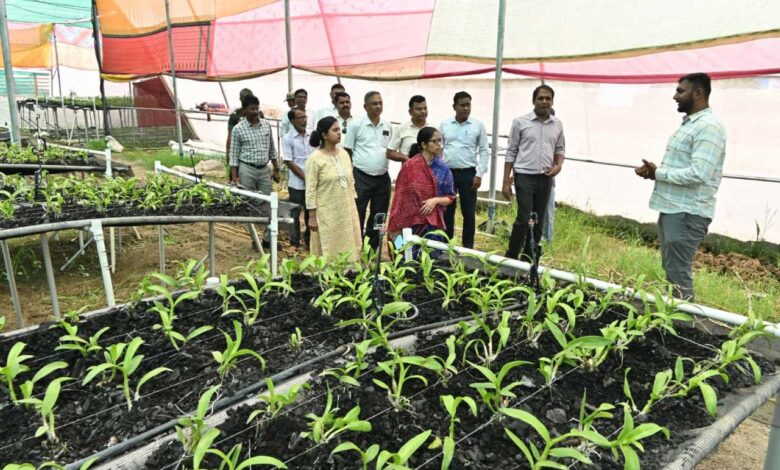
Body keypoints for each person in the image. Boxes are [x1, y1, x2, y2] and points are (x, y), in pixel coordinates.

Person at [635, 73, 726, 301]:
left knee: (678, 275)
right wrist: (653, 173)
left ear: (698, 93)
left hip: (687, 213)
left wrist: (659, 173)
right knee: (672, 271)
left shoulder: (709, 127)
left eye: (680, 91)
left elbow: (700, 173)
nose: (675, 96)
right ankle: (674, 317)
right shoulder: (690, 125)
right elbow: (684, 167)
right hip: (674, 208)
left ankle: (686, 320)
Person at [502, 85, 565, 261]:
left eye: (548, 98)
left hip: (546, 178)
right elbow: (511, 151)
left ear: (552, 101)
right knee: (524, 218)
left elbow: (560, 149)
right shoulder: (520, 122)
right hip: (524, 176)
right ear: (533, 100)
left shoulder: (557, 124)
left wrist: (558, 166)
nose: (544, 102)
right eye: (541, 98)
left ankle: (529, 257)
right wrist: (506, 181)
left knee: (539, 219)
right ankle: (511, 256)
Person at [344, 91, 403, 250]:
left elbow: (390, 149)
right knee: (358, 213)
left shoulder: (387, 125)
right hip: (361, 177)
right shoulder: (355, 125)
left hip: (382, 178)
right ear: (365, 106)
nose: (378, 106)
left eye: (380, 103)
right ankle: (355, 249)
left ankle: (372, 251)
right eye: (374, 103)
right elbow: (347, 151)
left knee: (379, 216)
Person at [305, 117, 363, 261]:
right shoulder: (315, 159)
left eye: (339, 129)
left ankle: (349, 270)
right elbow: (310, 189)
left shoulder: (344, 154)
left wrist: (353, 207)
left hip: (347, 210)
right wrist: (312, 216)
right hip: (326, 212)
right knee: (328, 247)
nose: (339, 133)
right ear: (324, 135)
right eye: (335, 130)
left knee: (350, 244)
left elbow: (350, 183)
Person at [388, 127, 455, 249]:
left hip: (432, 223)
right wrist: (396, 225)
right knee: (402, 251)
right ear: (424, 145)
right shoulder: (409, 166)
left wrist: (435, 200)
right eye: (434, 141)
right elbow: (399, 199)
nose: (439, 144)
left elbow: (450, 197)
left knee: (429, 255)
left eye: (440, 141)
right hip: (407, 222)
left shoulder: (443, 169)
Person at [229, 94, 281, 245]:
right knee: (248, 204)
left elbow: (272, 148)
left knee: (270, 203)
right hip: (247, 169)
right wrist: (235, 177)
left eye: (257, 108)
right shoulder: (238, 129)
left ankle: (268, 238)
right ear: (245, 110)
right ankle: (255, 240)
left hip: (264, 169)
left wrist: (276, 168)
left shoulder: (266, 125)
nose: (255, 112)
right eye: (252, 109)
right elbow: (234, 154)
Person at [440, 91, 488, 249]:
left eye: (468, 105)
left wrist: (479, 174)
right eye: (462, 105)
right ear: (454, 107)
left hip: (469, 174)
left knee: (468, 212)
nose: (466, 108)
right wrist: (439, 172)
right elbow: (439, 149)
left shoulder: (478, 125)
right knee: (448, 211)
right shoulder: (445, 125)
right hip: (448, 173)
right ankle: (447, 246)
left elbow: (484, 151)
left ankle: (468, 248)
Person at [282, 108, 314, 247]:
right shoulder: (288, 138)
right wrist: (305, 177)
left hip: (312, 181)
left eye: (305, 117)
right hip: (296, 183)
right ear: (293, 121)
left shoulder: (312, 135)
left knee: (310, 211)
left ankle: (309, 240)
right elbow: (289, 161)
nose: (304, 120)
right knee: (295, 212)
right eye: (301, 118)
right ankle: (294, 242)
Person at [386, 95, 428, 162]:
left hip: (429, 168)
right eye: (419, 109)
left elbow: (439, 151)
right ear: (410, 112)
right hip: (408, 167)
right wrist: (407, 159)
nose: (423, 111)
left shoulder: (433, 127)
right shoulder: (401, 128)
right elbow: (390, 153)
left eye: (425, 108)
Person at [225, 88, 254, 169]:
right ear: (240, 99)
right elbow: (230, 136)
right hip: (239, 152)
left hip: (253, 154)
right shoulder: (235, 115)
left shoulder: (257, 114)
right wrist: (228, 153)